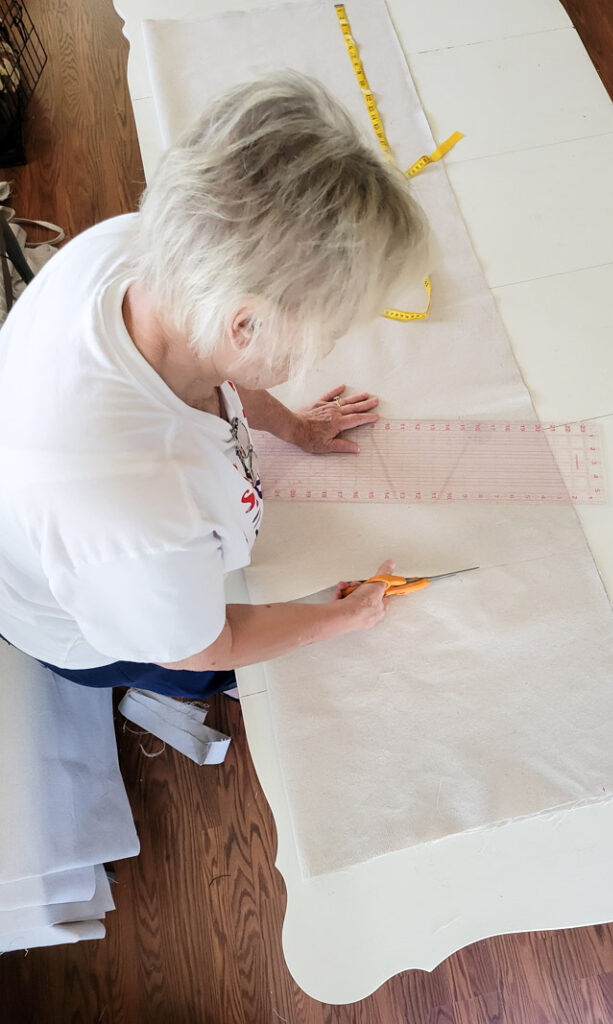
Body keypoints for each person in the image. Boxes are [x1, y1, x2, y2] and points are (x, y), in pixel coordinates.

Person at [0, 71, 430, 698]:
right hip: (84, 629)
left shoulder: (138, 252)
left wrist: (295, 428)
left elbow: (224, 359)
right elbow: (203, 647)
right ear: (245, 324)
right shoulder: (130, 498)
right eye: (330, 326)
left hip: (91, 540)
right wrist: (347, 615)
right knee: (219, 680)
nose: (331, 344)